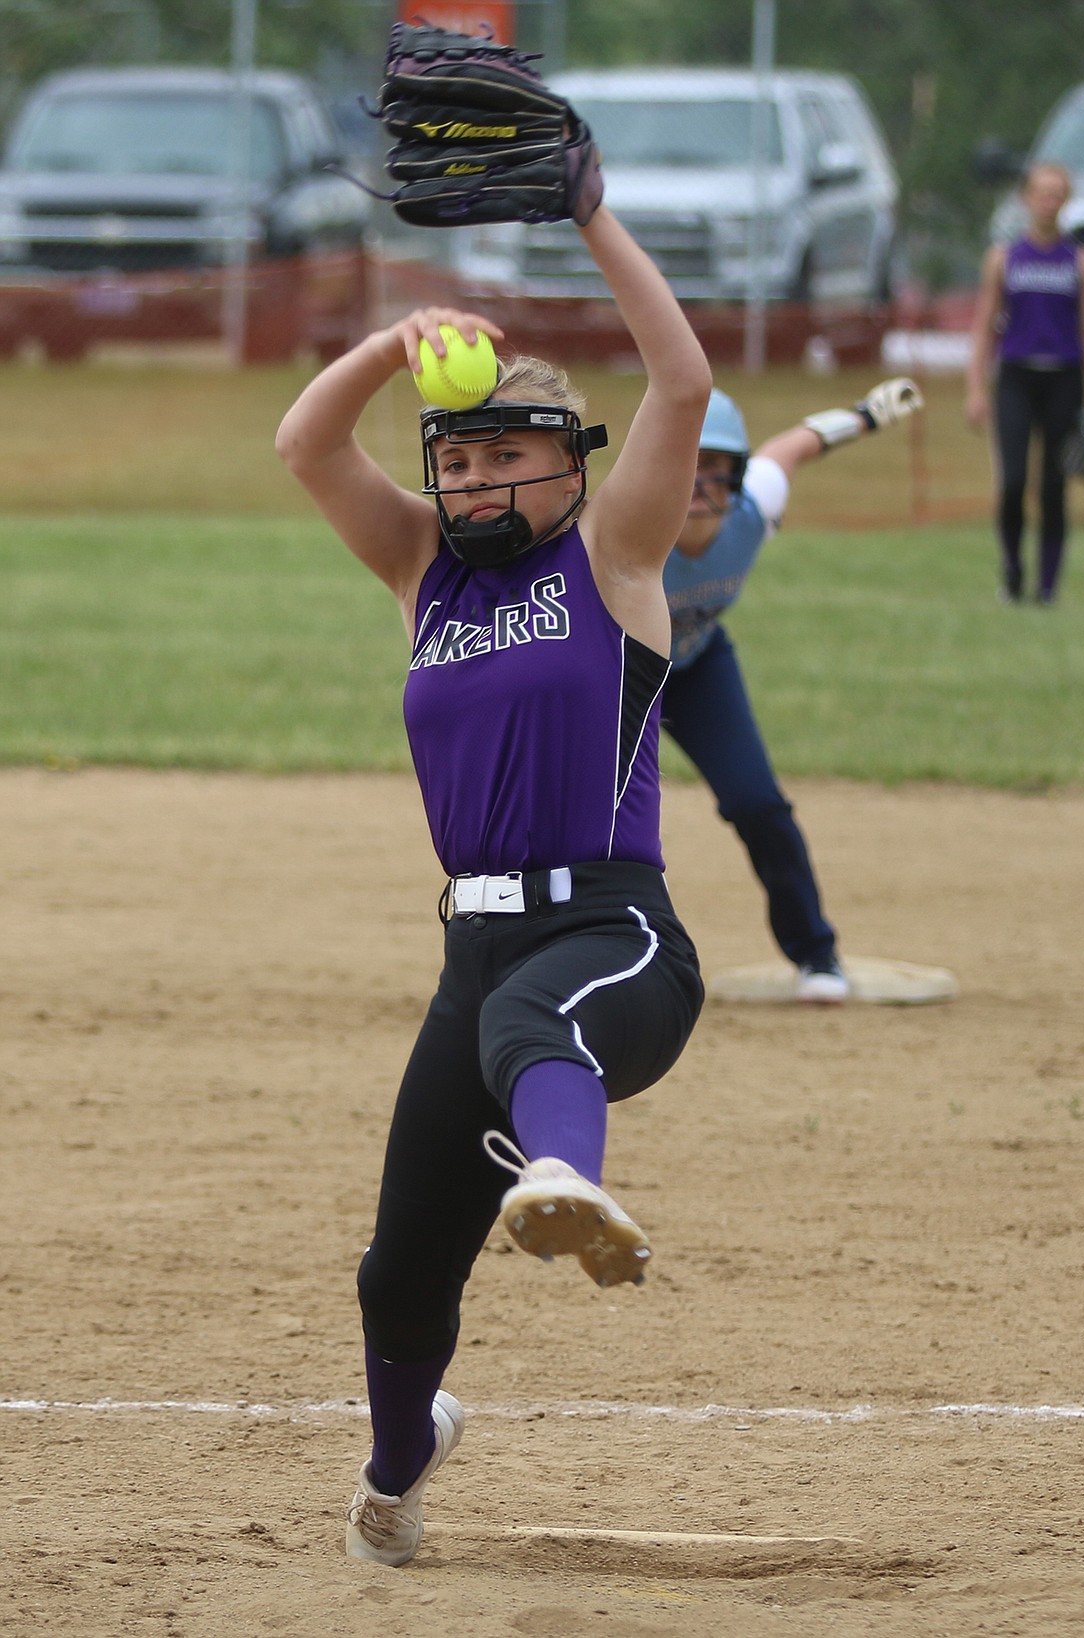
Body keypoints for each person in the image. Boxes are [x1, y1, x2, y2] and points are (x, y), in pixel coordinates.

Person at [275, 199, 711, 1568]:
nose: (468, 481)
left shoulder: (610, 554)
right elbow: (305, 441)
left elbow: (683, 379)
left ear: (567, 468)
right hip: (471, 951)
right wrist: (396, 341)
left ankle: (566, 1178)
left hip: (612, 932)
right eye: (453, 459)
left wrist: (587, 214)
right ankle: (402, 1466)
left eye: (499, 457)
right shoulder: (421, 572)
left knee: (539, 1028)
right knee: (397, 1270)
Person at [660, 377, 924, 1003]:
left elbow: (796, 446)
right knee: (591, 822)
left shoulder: (753, 511)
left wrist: (866, 415)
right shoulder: (622, 527)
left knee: (759, 806)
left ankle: (816, 955)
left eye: (714, 466)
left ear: (736, 473)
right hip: (609, 684)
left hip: (696, 667)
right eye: (683, 463)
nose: (698, 483)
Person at [966, 161, 1084, 605]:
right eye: (1040, 192)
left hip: (1064, 379)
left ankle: (1047, 589)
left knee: (1053, 486)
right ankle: (1012, 571)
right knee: (1012, 482)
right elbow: (984, 327)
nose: (1048, 201)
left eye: (1056, 193)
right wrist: (975, 389)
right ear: (1026, 199)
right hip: (1016, 376)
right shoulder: (1005, 258)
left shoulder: (1082, 262)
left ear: (1065, 200)